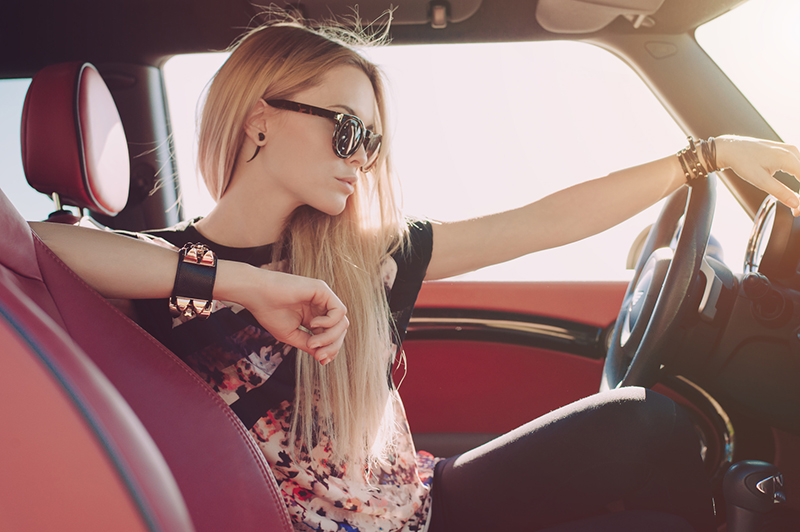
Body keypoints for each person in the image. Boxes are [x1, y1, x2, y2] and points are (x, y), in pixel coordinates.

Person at [31, 19, 800, 532]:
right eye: (349, 131)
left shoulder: (364, 255)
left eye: (373, 143)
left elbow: (538, 224)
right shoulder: (155, 271)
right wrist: (247, 285)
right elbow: (39, 245)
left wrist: (703, 158)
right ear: (261, 119)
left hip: (427, 505)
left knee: (646, 425)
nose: (362, 159)